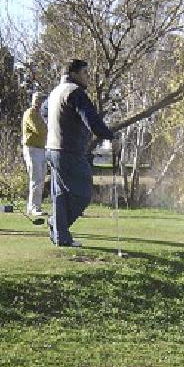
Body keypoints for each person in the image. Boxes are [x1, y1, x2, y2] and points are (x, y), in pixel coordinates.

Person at [44, 59, 116, 247]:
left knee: (60, 194)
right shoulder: (75, 92)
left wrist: (58, 126)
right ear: (74, 74)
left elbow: (44, 112)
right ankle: (57, 226)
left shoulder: (54, 92)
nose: (87, 77)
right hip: (68, 150)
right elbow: (91, 119)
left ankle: (61, 237)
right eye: (85, 73)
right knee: (83, 193)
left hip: (51, 149)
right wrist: (108, 135)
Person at [21, 91, 48, 217]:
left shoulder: (42, 114)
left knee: (41, 179)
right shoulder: (30, 113)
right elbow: (40, 130)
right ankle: (32, 207)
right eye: (38, 99)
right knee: (35, 178)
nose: (40, 102)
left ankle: (36, 206)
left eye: (41, 99)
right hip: (32, 149)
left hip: (42, 149)